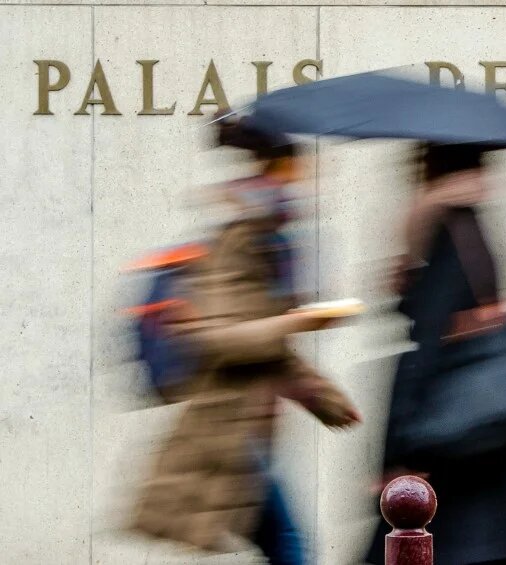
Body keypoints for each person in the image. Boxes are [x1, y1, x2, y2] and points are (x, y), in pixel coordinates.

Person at [132, 117, 361, 565]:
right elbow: (217, 338)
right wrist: (298, 322)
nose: (304, 181)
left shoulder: (267, 240)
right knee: (290, 543)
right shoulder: (240, 240)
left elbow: (271, 348)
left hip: (246, 423)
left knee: (282, 542)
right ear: (274, 170)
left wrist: (326, 400)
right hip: (227, 426)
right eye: (295, 170)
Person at [367, 143, 506, 565]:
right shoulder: (474, 228)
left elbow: (429, 346)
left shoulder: (445, 232)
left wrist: (400, 454)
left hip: (447, 448)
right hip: (481, 445)